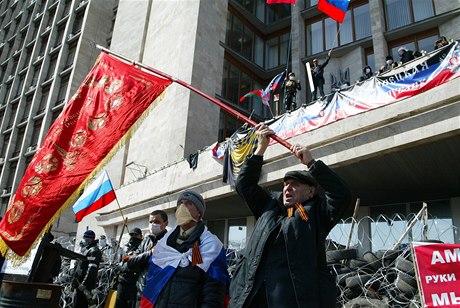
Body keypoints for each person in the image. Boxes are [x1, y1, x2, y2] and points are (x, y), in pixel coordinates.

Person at [229, 123, 352, 308]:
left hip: (292, 300)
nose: (287, 188)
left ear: (311, 191)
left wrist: (312, 163)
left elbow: (342, 194)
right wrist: (260, 148)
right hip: (251, 297)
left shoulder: (318, 213)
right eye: (286, 184)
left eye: (295, 184)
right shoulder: (269, 206)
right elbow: (244, 185)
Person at [140, 190, 230, 307]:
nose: (183, 207)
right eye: (180, 203)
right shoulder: (164, 244)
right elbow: (152, 281)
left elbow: (214, 292)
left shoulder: (211, 245)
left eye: (189, 203)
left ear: (199, 213)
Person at [126, 210, 169, 303]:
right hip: (141, 290)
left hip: (159, 294)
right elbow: (130, 262)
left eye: (157, 222)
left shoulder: (170, 241)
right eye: (151, 222)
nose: (153, 224)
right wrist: (149, 253)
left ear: (166, 223)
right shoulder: (146, 241)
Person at [115, 227, 144, 308]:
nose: (133, 237)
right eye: (132, 235)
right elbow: (118, 262)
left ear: (141, 236)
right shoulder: (125, 248)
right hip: (122, 280)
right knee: (119, 303)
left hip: (134, 283)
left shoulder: (142, 248)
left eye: (136, 235)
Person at [73, 230, 102, 308]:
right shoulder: (86, 249)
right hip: (79, 282)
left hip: (84, 284)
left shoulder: (94, 251)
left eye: (85, 238)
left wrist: (84, 284)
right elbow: (83, 262)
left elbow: (92, 268)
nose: (84, 239)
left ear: (91, 239)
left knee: (81, 304)